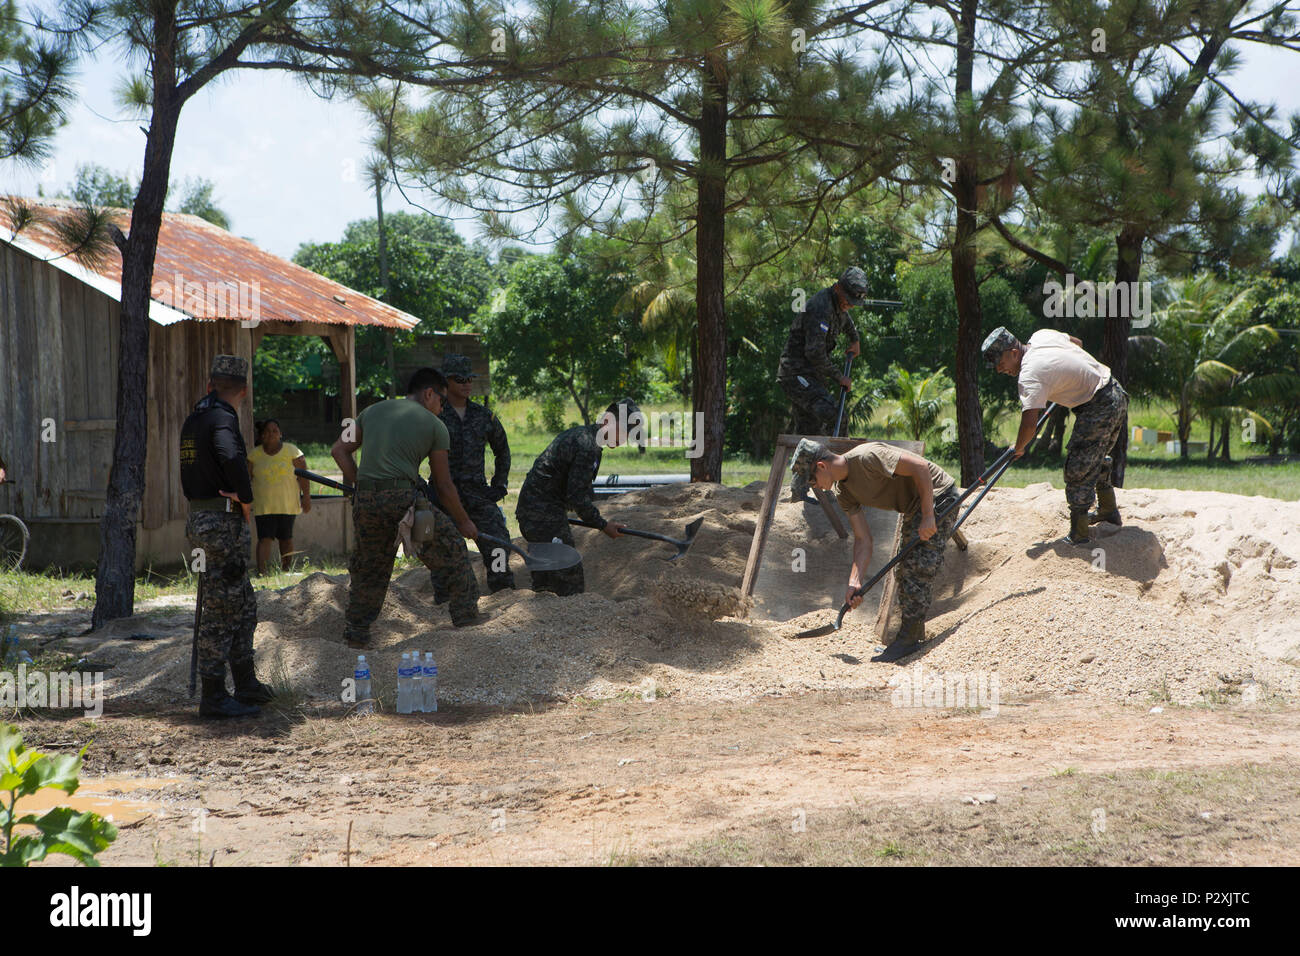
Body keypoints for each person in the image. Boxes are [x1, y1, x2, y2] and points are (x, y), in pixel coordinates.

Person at [331, 368, 481, 649]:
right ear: (429, 394)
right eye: (442, 401)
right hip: (403, 500)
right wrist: (464, 522)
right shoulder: (436, 426)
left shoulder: (370, 412)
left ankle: (357, 633)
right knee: (453, 551)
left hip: (366, 502)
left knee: (370, 567)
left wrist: (361, 485)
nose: (442, 408)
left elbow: (339, 450)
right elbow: (445, 486)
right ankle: (467, 619)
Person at [791, 437, 959, 664]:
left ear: (821, 466)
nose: (815, 487)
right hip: (914, 508)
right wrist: (855, 581)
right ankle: (912, 635)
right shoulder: (843, 493)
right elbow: (863, 539)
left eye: (812, 481)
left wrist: (929, 516)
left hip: (938, 496)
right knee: (904, 570)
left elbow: (919, 467)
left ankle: (908, 639)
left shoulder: (866, 457)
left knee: (917, 567)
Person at [179, 354, 274, 719]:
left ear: (209, 385)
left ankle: (245, 682)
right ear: (244, 391)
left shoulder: (196, 418)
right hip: (220, 524)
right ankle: (214, 695)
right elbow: (232, 457)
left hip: (205, 518)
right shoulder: (222, 419)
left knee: (242, 605)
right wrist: (245, 496)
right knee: (221, 609)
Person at [982, 327, 1128, 544]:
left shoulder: (1029, 374)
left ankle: (1079, 535)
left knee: (1078, 466)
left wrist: (1019, 447)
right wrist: (1060, 378)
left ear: (1014, 353)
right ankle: (1108, 510)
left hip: (1099, 405)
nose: (999, 369)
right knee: (1092, 458)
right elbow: (1077, 342)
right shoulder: (1042, 335)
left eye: (1000, 362)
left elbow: (1030, 424)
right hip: (1114, 389)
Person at [515, 399, 635, 596]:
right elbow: (577, 497)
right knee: (570, 577)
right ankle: (571, 621)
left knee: (546, 579)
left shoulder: (586, 437)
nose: (623, 438)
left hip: (538, 511)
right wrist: (603, 525)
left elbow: (579, 489)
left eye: (627, 433)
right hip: (541, 515)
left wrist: (593, 515)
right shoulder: (588, 445)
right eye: (621, 430)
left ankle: (547, 618)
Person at [777, 266, 868, 500]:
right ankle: (840, 478)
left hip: (811, 375)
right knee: (835, 414)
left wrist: (855, 339)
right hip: (795, 373)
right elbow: (814, 352)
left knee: (809, 431)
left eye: (852, 303)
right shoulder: (820, 306)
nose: (848, 306)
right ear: (837, 288)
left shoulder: (838, 305)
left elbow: (846, 322)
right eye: (846, 300)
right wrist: (840, 376)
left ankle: (800, 488)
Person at [430, 353, 515, 596]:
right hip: (443, 496)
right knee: (442, 551)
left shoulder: (483, 416)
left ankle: (502, 593)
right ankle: (444, 601)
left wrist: (499, 485)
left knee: (498, 544)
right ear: (446, 383)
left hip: (478, 494)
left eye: (470, 379)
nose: (467, 384)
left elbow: (503, 451)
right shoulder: (434, 415)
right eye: (460, 379)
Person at [247, 419, 310, 575]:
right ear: (261, 436)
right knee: (264, 539)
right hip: (264, 505)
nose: (271, 434)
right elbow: (246, 480)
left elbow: (304, 477)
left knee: (286, 538)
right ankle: (262, 572)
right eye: (267, 431)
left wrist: (306, 497)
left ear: (280, 434)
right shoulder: (254, 456)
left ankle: (286, 570)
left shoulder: (293, 452)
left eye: (275, 430)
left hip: (287, 504)